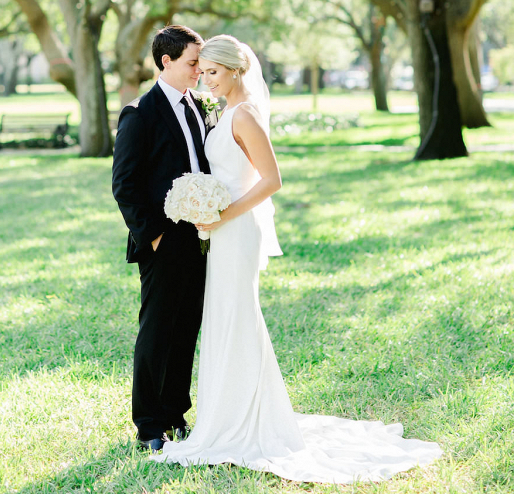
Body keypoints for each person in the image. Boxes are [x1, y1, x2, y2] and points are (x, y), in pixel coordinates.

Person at [155, 34, 442, 483]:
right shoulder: (225, 109)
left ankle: (245, 423)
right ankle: (231, 414)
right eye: (202, 70)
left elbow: (272, 180)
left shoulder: (244, 113)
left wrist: (220, 214)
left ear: (235, 70)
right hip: (223, 229)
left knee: (236, 317)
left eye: (212, 71)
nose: (204, 79)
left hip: (237, 229)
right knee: (225, 318)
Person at [112, 25, 218, 453]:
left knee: (186, 329)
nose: (200, 71)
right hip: (163, 241)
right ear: (166, 62)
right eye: (193, 63)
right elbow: (125, 185)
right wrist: (154, 236)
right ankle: (149, 424)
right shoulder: (140, 113)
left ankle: (176, 414)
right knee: (157, 331)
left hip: (203, 238)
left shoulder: (202, 106)